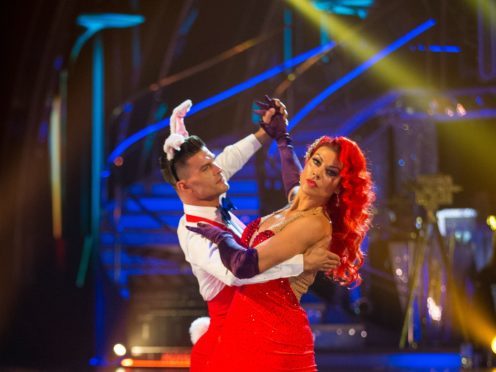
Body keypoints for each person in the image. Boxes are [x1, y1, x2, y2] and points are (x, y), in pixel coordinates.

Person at [188, 99, 375, 371]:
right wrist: (281, 136)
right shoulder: (296, 203)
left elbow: (245, 266)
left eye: (330, 172)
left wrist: (220, 237)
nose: (317, 173)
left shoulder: (314, 224)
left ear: (339, 185)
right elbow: (293, 179)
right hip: (243, 327)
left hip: (274, 338)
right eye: (316, 162)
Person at [159, 99, 337, 371]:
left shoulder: (211, 190)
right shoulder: (192, 229)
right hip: (231, 347)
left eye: (212, 162)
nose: (218, 168)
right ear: (185, 186)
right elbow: (238, 271)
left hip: (264, 336)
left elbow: (228, 158)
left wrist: (265, 133)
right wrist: (303, 263)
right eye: (207, 167)